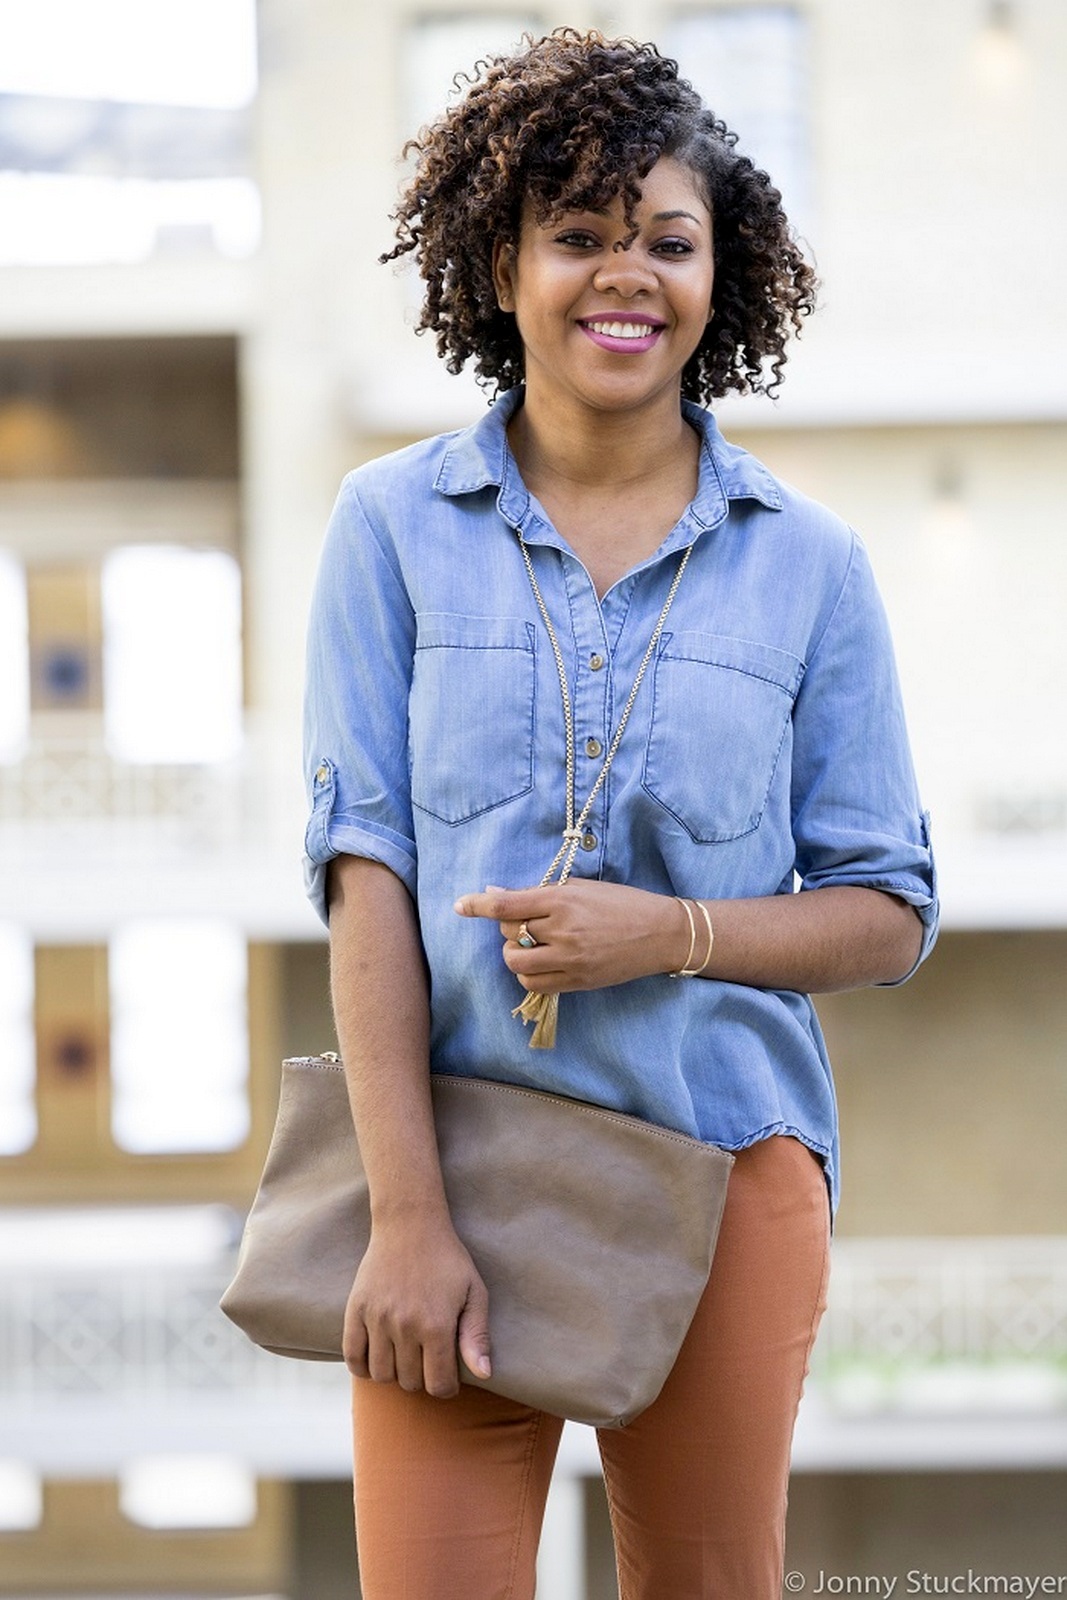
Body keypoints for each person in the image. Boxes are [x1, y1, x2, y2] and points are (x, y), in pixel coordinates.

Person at [303, 28, 937, 1600]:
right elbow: (364, 876)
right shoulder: (387, 528)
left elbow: (890, 905)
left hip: (726, 1171)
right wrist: (405, 1216)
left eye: (667, 239)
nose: (623, 276)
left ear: (724, 271)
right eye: (578, 236)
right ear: (501, 264)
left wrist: (679, 933)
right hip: (451, 1177)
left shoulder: (814, 565)